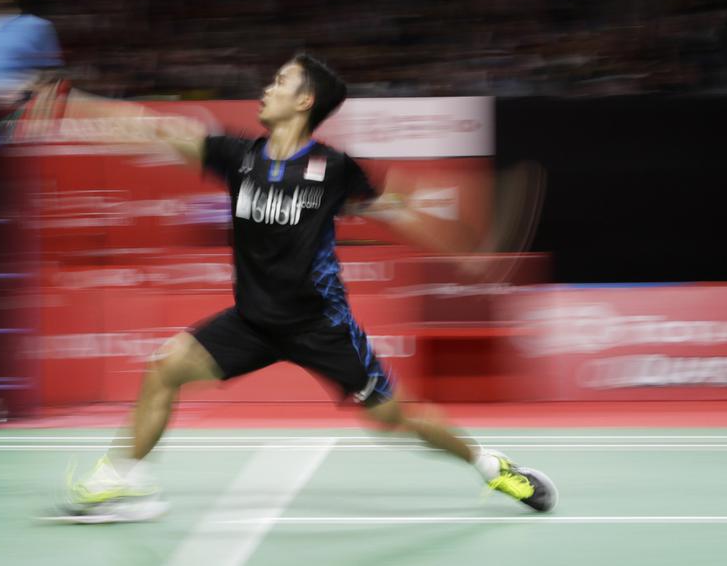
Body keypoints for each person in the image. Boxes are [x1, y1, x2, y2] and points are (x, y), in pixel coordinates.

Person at [53, 52, 558, 523]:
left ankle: (491, 466)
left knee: (395, 417)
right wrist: (75, 105)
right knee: (165, 368)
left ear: (305, 100)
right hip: (252, 322)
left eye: (280, 82)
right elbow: (156, 128)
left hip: (320, 327)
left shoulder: (334, 169)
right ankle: (125, 481)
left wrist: (464, 252)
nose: (267, 89)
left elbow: (395, 208)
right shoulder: (238, 157)